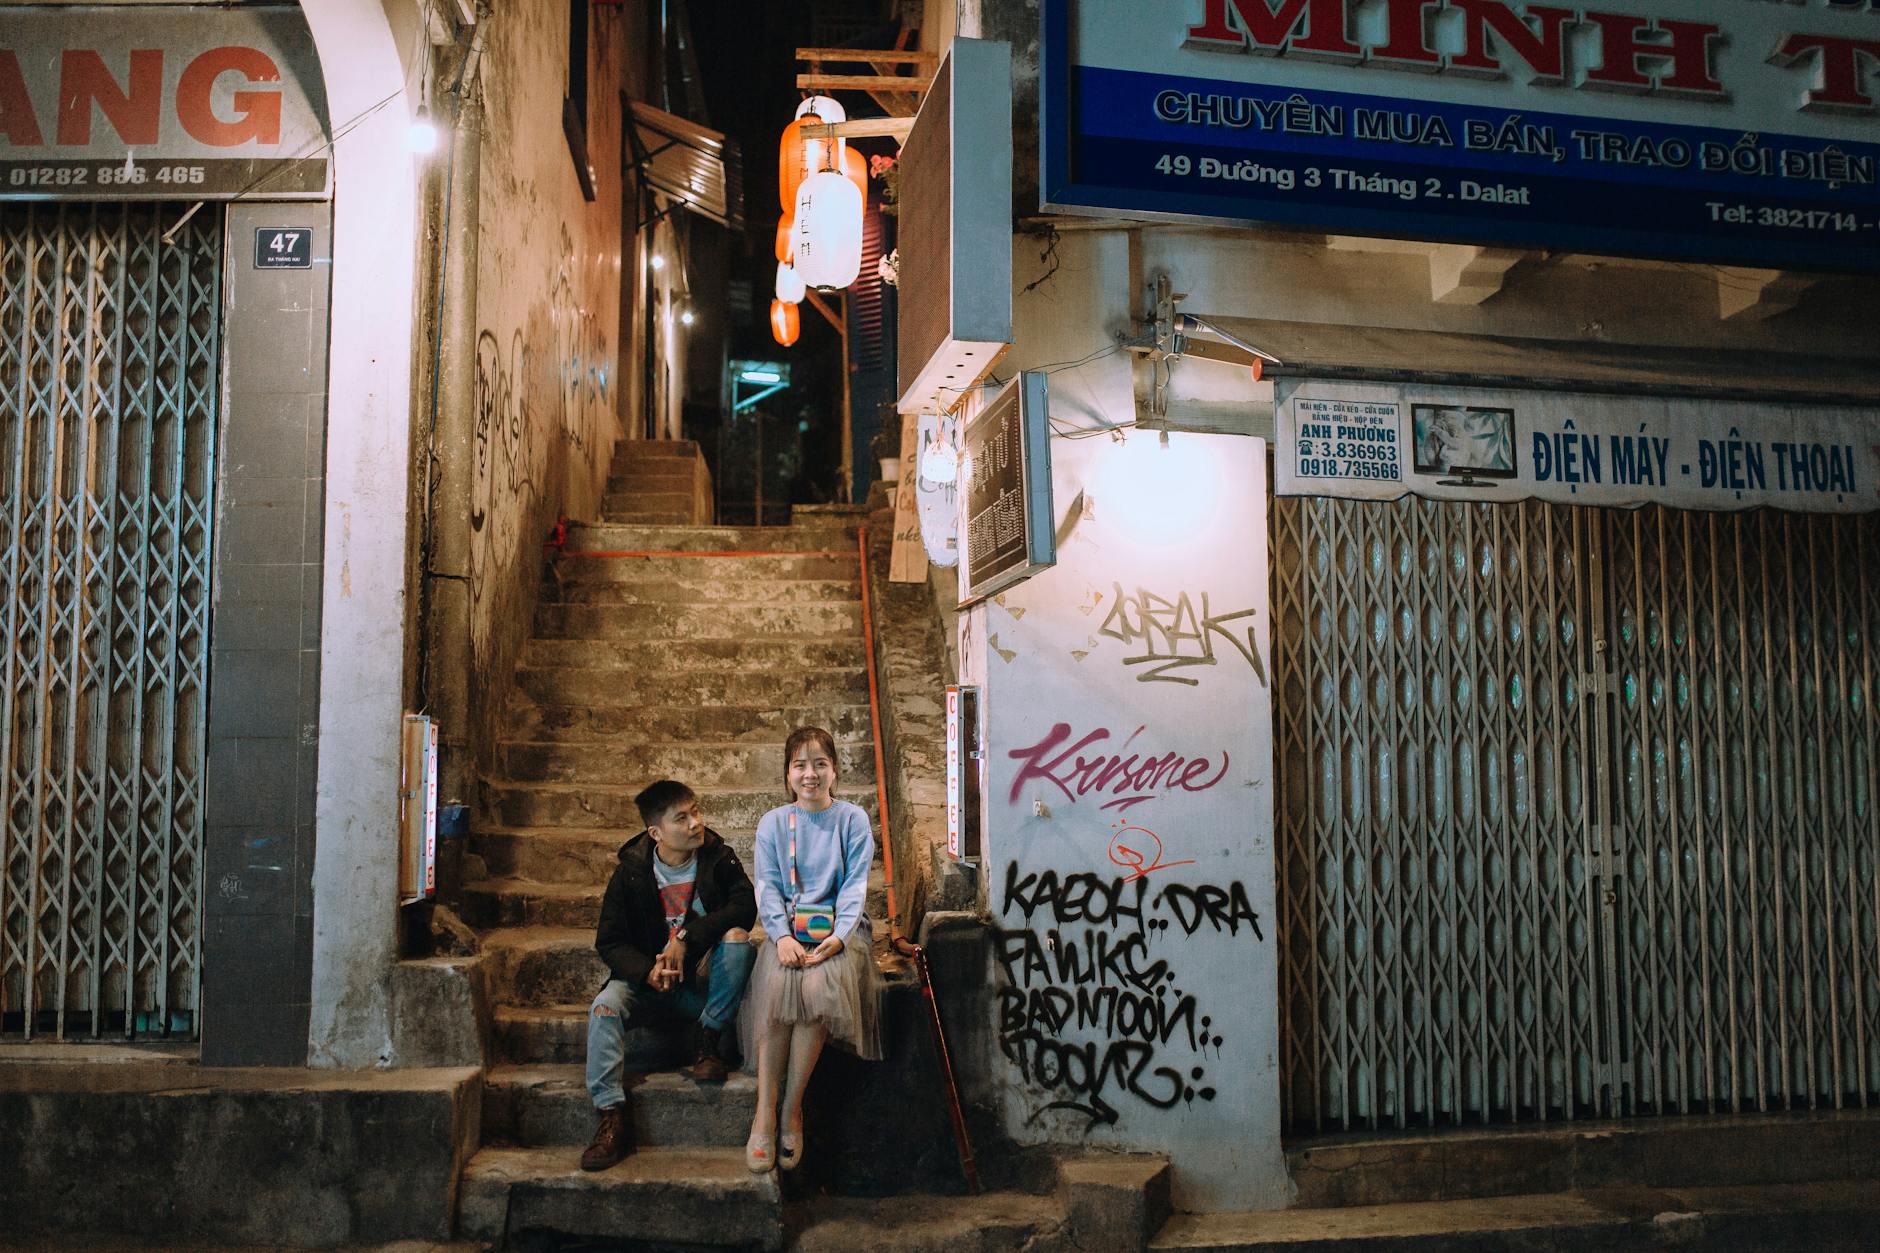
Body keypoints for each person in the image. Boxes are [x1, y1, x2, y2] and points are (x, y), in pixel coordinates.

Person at [582, 779, 757, 1172]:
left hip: (698, 984)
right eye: (683, 817)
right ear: (655, 832)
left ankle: (708, 1038)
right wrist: (646, 971)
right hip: (646, 985)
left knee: (737, 939)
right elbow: (609, 942)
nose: (696, 823)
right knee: (604, 1009)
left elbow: (744, 907)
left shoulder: (718, 857)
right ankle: (611, 1116)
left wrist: (685, 936)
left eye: (696, 811)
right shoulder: (630, 872)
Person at [742, 726, 883, 1173]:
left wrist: (838, 937)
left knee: (818, 987)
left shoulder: (852, 820)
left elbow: (855, 886)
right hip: (788, 931)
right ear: (787, 774)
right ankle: (765, 1111)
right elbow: (767, 887)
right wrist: (780, 936)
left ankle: (792, 1110)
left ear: (835, 770)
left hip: (842, 932)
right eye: (800, 764)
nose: (810, 774)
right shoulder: (772, 824)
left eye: (820, 763)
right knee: (778, 982)